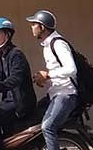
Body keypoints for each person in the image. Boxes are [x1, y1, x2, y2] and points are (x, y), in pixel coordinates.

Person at [0, 17, 36, 150]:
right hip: (9, 101)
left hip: (19, 103)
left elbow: (14, 79)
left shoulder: (16, 55)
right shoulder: (4, 55)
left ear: (7, 34)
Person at [26, 10, 79, 150]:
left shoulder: (58, 43)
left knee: (48, 127)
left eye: (34, 24)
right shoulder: (48, 45)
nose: (32, 27)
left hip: (66, 95)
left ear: (42, 27)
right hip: (55, 94)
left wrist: (48, 75)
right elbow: (58, 73)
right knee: (31, 119)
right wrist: (44, 80)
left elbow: (71, 69)